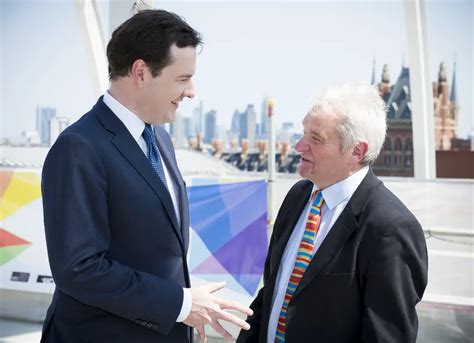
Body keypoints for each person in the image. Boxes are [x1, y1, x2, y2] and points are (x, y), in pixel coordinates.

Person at [41, 9, 252, 343]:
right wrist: (181, 304)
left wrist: (186, 306)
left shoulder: (160, 140)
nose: (192, 91)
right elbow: (78, 269)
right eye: (182, 79)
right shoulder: (79, 147)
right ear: (140, 72)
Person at [237, 83, 428, 343]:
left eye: (315, 138)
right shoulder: (298, 197)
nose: (299, 146)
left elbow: (385, 336)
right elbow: (272, 293)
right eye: (303, 133)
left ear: (357, 151)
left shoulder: (390, 228)